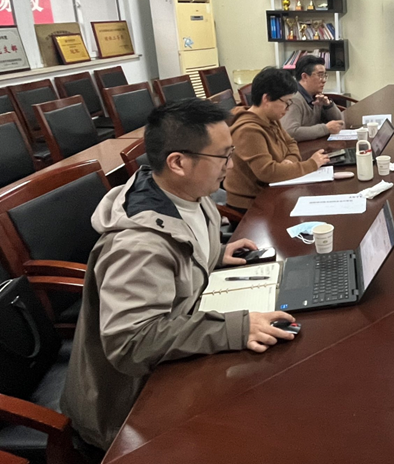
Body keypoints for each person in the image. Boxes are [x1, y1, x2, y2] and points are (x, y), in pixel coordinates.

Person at [61, 99, 298, 452]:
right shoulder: (137, 247)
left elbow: (181, 251)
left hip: (176, 348)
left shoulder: (190, 195)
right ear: (178, 162)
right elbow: (132, 343)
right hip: (131, 404)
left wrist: (214, 254)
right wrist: (238, 328)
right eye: (223, 156)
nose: (232, 165)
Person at [225, 67, 328, 210]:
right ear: (266, 99)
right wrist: (312, 164)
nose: (287, 108)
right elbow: (268, 173)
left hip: (272, 191)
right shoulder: (248, 130)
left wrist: (289, 162)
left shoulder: (270, 118)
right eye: (286, 102)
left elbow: (291, 143)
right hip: (251, 203)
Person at [281, 54, 344, 141]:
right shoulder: (294, 99)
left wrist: (328, 106)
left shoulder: (316, 96)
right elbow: (290, 132)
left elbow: (338, 123)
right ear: (304, 77)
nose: (324, 80)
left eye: (324, 75)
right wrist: (325, 129)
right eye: (320, 75)